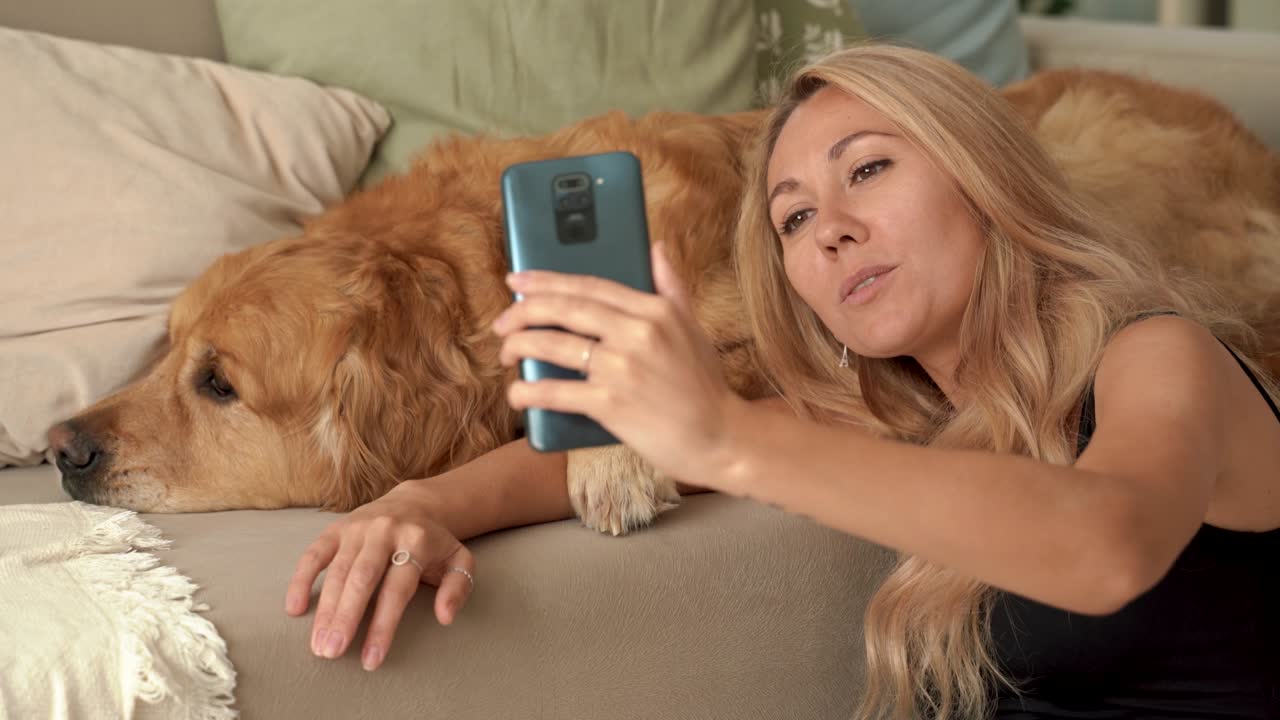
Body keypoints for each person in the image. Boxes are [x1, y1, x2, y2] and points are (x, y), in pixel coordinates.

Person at [285, 44, 1280, 719]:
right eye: (793, 219)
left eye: (869, 168)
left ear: (986, 176)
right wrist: (416, 506)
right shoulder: (906, 412)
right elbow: (565, 467)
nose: (830, 226)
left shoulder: (1158, 355)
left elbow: (1105, 544)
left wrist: (723, 434)